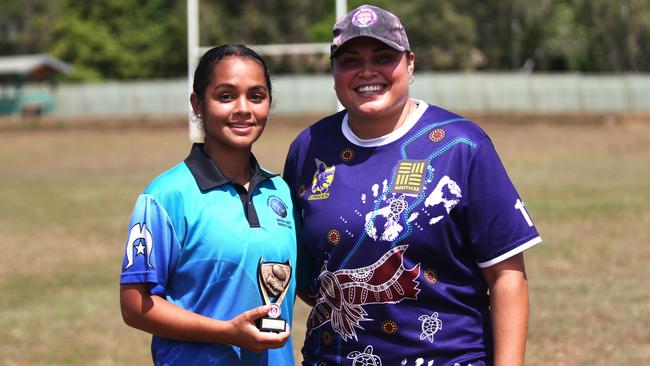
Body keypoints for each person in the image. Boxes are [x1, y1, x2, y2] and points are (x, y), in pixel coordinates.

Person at [283, 5, 542, 366]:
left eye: (383, 57)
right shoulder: (309, 147)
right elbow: (310, 277)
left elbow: (507, 276)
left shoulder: (462, 147)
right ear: (334, 71)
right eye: (351, 60)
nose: (367, 71)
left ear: (410, 63)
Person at [119, 44, 297, 365]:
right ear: (198, 104)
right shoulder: (166, 195)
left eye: (256, 96)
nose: (243, 108)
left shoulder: (280, 190)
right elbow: (135, 306)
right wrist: (228, 332)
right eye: (226, 96)